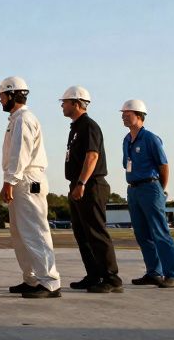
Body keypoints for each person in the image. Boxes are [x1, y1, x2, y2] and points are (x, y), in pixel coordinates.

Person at [0, 76, 62, 299]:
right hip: (21, 180)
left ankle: (50, 281)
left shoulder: (24, 119)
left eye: (3, 96)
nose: (1, 100)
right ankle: (32, 278)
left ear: (12, 95)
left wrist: (9, 181)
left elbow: (19, 153)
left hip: (27, 180)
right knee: (20, 233)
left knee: (35, 231)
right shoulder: (16, 119)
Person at [60, 86, 122, 293]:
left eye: (65, 102)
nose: (62, 105)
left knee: (96, 232)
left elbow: (92, 156)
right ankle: (94, 274)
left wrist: (81, 184)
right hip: (78, 185)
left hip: (91, 185)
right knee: (82, 233)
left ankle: (111, 278)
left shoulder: (88, 126)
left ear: (76, 104)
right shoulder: (75, 127)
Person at [120, 99, 174, 288]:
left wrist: (159, 189)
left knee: (160, 232)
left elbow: (163, 165)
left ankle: (173, 275)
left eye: (127, 113)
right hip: (133, 189)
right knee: (142, 234)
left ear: (139, 116)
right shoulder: (126, 140)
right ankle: (154, 272)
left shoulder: (150, 138)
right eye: (122, 114)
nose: (123, 117)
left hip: (150, 187)